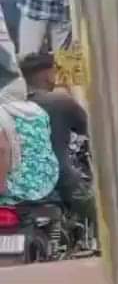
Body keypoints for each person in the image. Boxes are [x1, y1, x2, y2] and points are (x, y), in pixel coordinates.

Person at [18, 53, 91, 219]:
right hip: (60, 182)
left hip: (15, 186)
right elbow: (89, 129)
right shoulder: (60, 102)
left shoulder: (9, 104)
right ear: (47, 74)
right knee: (101, 215)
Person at [0, 71, 59, 206]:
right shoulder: (37, 110)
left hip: (22, 183)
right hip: (48, 177)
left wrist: (1, 183)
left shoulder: (2, 113)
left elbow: (2, 149)